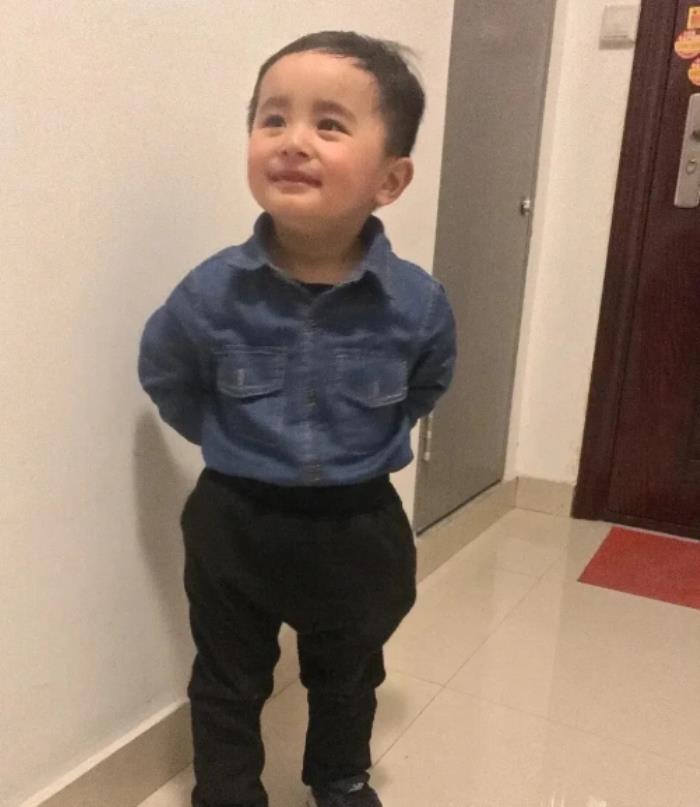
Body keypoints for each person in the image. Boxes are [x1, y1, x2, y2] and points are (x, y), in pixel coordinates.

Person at [138, 30, 456, 807]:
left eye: (330, 124)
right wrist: (230, 441)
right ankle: (227, 790)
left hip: (358, 523)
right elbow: (168, 375)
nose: (292, 140)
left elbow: (427, 383)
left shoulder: (417, 304)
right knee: (227, 672)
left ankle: (339, 776)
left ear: (391, 179)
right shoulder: (210, 294)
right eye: (272, 118)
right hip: (235, 518)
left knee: (350, 668)